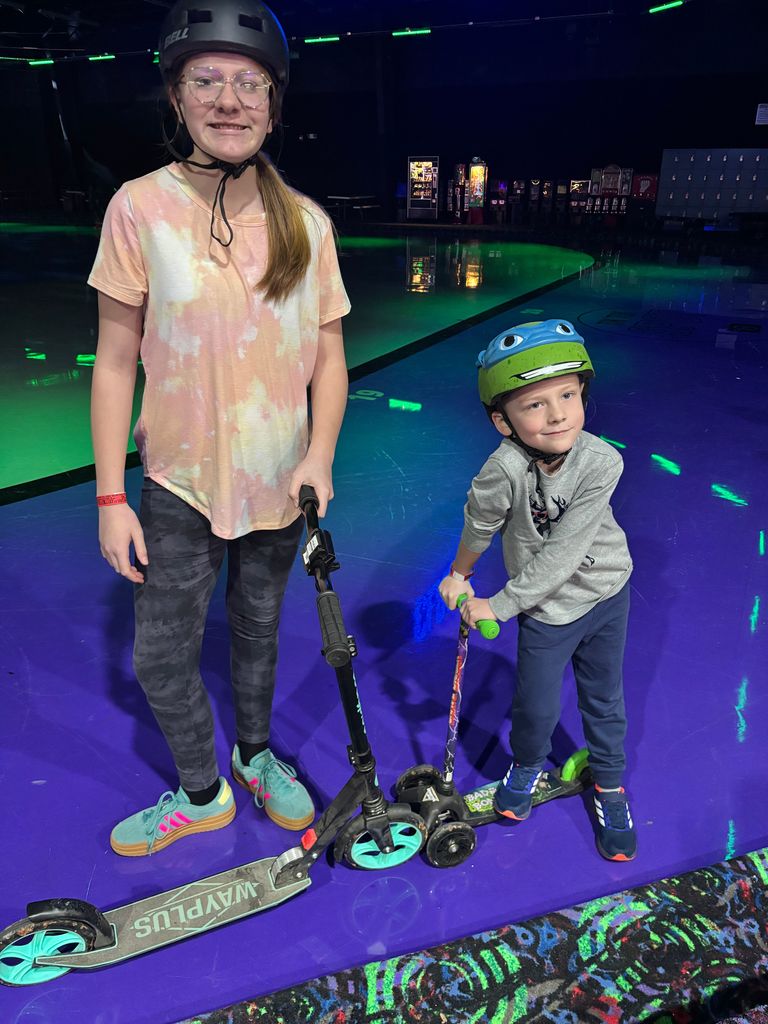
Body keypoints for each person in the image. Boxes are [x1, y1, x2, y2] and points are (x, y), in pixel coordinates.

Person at [89, 0, 350, 857]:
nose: (229, 100)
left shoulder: (306, 223)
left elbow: (328, 359)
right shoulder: (139, 208)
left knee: (258, 633)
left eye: (250, 84)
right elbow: (115, 362)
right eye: (207, 81)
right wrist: (110, 498)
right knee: (160, 657)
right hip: (177, 482)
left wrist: (319, 456)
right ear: (176, 96)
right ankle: (203, 794)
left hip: (279, 480)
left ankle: (255, 754)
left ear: (274, 103)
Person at [438, 320, 636, 861]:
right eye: (535, 404)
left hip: (607, 593)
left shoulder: (602, 461)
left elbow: (563, 555)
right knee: (536, 706)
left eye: (568, 395)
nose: (557, 415)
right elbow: (480, 524)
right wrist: (460, 574)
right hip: (548, 612)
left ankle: (610, 786)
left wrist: (497, 604)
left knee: (604, 697)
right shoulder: (502, 470)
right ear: (502, 421)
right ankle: (526, 765)